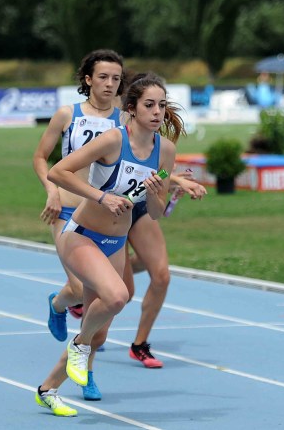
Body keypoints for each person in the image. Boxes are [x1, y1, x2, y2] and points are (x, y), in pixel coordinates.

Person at [39, 72, 181, 414]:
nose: (157, 112)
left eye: (162, 105)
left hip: (114, 242)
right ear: (131, 108)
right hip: (82, 235)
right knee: (117, 296)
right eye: (149, 105)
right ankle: (79, 343)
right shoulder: (113, 139)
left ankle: (47, 389)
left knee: (100, 332)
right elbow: (59, 172)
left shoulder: (166, 151)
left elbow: (156, 212)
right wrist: (101, 197)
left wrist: (158, 191)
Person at [33, 50, 124, 411]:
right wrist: (51, 190)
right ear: (88, 79)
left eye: (116, 78)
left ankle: (87, 370)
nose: (109, 84)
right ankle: (57, 303)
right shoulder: (67, 114)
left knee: (101, 307)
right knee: (76, 289)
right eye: (103, 77)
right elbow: (42, 158)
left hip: (103, 216)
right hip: (67, 209)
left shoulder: (123, 119)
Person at [123, 166, 207, 368]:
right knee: (123, 292)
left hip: (140, 206)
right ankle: (78, 294)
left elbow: (156, 175)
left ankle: (139, 345)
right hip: (112, 207)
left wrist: (172, 182)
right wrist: (177, 180)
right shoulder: (111, 144)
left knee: (161, 277)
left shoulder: (162, 148)